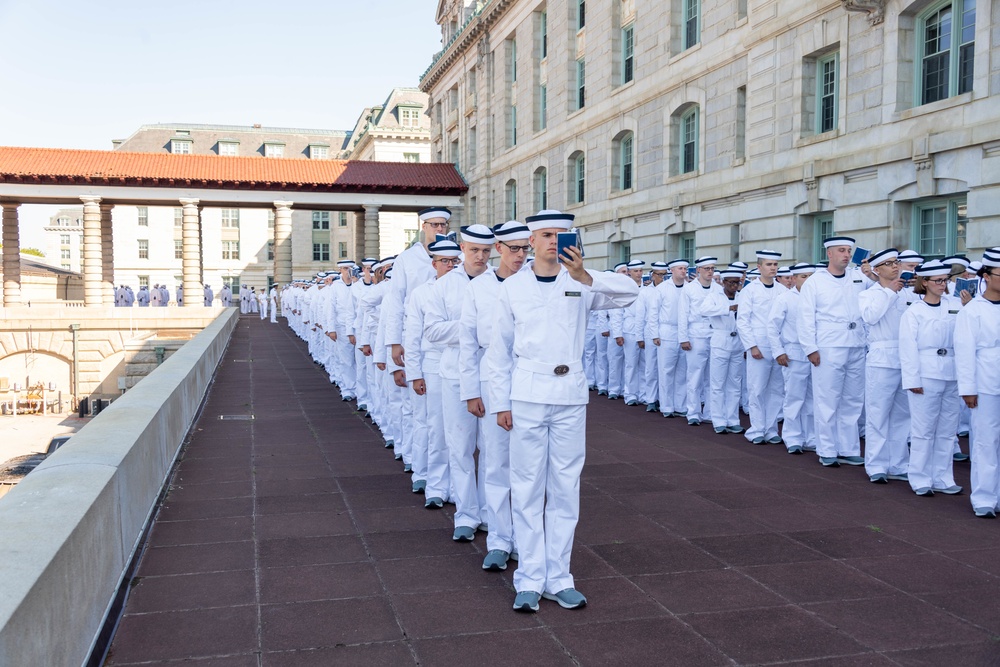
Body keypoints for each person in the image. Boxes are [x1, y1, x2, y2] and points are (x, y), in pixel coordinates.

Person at [486, 209, 639, 613]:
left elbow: (630, 293)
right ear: (531, 241)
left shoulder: (582, 281)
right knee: (527, 486)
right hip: (527, 395)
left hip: (570, 394)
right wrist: (500, 402)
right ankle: (530, 578)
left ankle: (559, 577)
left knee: (566, 487)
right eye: (547, 234)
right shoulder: (511, 288)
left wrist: (587, 276)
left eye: (563, 234)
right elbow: (498, 351)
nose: (555, 241)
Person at [460, 220, 530, 570]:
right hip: (491, 375)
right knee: (495, 460)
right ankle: (501, 539)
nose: (520, 255)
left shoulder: (537, 280)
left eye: (525, 248)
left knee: (530, 464)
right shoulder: (478, 287)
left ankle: (527, 540)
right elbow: (468, 342)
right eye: (513, 248)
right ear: (498, 248)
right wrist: (471, 390)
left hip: (530, 376)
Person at [424, 224, 496, 541]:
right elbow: (433, 331)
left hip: (493, 373)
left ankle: (492, 515)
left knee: (494, 450)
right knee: (460, 446)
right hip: (454, 373)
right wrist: (473, 329)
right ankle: (466, 513)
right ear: (462, 249)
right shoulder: (443, 286)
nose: (480, 256)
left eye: (486, 251)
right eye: (474, 250)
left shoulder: (501, 282)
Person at [798, 237, 867, 467]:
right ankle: (827, 448)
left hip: (856, 343)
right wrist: (810, 348)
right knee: (827, 400)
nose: (846, 255)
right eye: (841, 250)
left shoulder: (858, 277)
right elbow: (805, 318)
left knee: (853, 400)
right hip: (828, 346)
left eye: (849, 251)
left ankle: (848, 448)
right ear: (829, 253)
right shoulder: (814, 282)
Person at [899, 260, 963, 496]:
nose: (942, 284)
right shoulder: (914, 311)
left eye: (945, 280)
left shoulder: (956, 305)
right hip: (926, 373)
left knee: (947, 429)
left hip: (952, 371)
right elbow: (907, 348)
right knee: (923, 429)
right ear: (924, 282)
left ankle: (943, 477)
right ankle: (920, 477)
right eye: (937, 281)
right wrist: (912, 379)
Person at [405, 242, 458, 498]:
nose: (449, 265)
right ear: (433, 263)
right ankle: (432, 482)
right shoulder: (420, 293)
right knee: (435, 426)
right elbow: (412, 336)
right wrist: (414, 373)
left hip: (462, 363)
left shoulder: (467, 287)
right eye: (444, 261)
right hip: (433, 364)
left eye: (453, 261)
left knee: (460, 431)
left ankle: (458, 487)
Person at [858, 249, 911, 484]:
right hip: (881, 358)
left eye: (896, 262)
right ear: (877, 270)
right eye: (889, 264)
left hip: (906, 358)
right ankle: (876, 464)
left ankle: (898, 463)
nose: (895, 267)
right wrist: (889, 292)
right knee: (878, 414)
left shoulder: (907, 293)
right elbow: (871, 317)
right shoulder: (870, 294)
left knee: (902, 415)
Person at [956, 248, 1000, 517]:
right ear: (986, 276)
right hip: (985, 383)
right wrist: (968, 388)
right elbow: (964, 352)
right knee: (985, 441)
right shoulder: (972, 311)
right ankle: (984, 497)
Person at [737, 250, 787, 444]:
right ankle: (757, 428)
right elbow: (743, 321)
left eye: (775, 264)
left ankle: (771, 429)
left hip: (778, 345)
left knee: (776, 389)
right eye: (769, 264)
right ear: (759, 267)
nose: (773, 268)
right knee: (757, 388)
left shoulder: (783, 290)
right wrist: (752, 346)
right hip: (759, 344)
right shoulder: (750, 290)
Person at [767, 263, 816, 454]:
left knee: (813, 399)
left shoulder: (818, 298)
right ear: (794, 279)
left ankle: (811, 437)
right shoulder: (785, 298)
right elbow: (772, 327)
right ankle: (793, 437)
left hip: (816, 354)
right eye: (804, 277)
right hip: (794, 353)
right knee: (794, 397)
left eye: (811, 276)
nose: (808, 280)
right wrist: (778, 351)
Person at [701, 268, 745, 434]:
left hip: (738, 341)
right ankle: (718, 419)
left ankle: (732, 419)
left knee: (735, 383)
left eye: (737, 282)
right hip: (720, 339)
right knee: (718, 383)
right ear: (723, 282)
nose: (734, 286)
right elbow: (704, 310)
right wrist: (728, 308)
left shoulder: (742, 296)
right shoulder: (714, 296)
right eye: (731, 282)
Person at [678, 256, 720, 425]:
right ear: (698, 271)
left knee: (713, 376)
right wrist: (683, 338)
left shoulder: (718, 288)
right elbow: (682, 314)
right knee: (695, 375)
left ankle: (710, 412)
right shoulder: (689, 289)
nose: (710, 272)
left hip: (715, 333)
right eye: (707, 268)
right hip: (695, 334)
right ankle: (693, 412)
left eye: (712, 268)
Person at [651, 259, 689, 418]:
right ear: (672, 270)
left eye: (685, 269)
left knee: (682, 371)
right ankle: (666, 406)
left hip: (685, 331)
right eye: (680, 268)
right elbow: (653, 312)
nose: (683, 271)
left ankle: (680, 405)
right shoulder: (661, 289)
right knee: (666, 370)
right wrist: (655, 334)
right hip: (667, 331)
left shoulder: (690, 288)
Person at [610, 260, 646, 406]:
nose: (639, 273)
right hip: (629, 329)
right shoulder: (623, 290)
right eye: (636, 271)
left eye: (640, 271)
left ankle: (643, 394)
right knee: (631, 363)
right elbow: (617, 313)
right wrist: (618, 333)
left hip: (644, 329)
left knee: (644, 364)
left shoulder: (648, 290)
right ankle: (630, 394)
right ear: (630, 272)